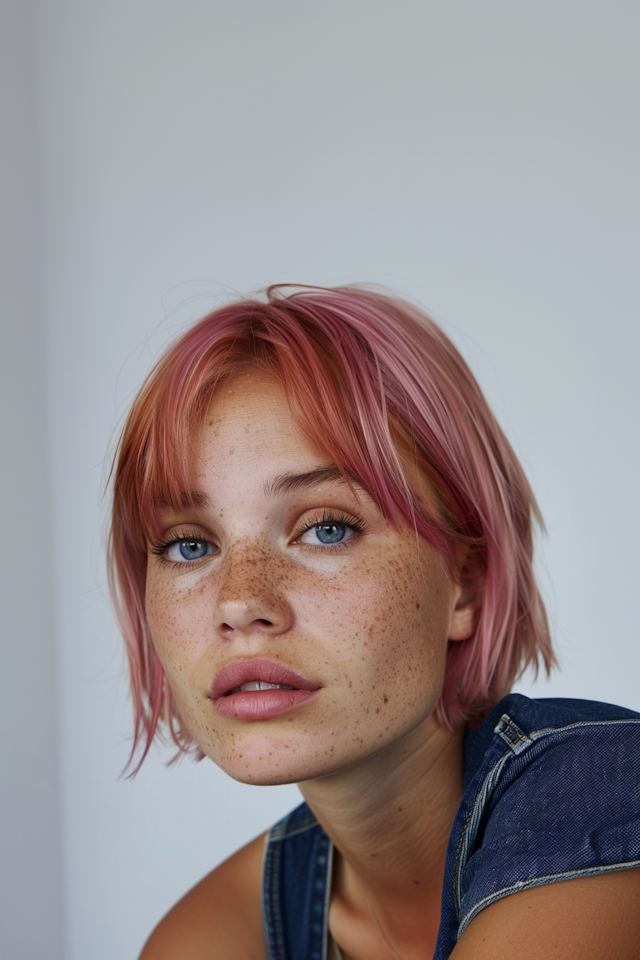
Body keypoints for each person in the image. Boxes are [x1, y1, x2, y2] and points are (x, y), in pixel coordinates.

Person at [109, 285, 640, 960]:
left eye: (326, 528)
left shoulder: (605, 796)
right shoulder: (216, 929)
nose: (239, 600)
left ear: (465, 583)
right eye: (190, 544)